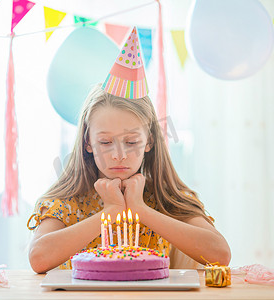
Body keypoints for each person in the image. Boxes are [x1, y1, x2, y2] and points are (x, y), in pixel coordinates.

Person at [27, 27, 230, 274]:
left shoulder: (164, 198)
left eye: (131, 142)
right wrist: (109, 213)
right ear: (87, 143)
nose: (119, 154)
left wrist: (140, 210)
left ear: (149, 142)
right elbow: (38, 258)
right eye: (105, 142)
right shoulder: (68, 202)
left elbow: (220, 254)